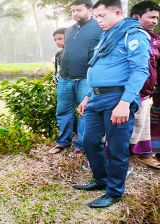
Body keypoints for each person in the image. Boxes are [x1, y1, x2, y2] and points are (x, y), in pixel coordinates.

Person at [75, 0, 150, 208]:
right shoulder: (107, 35)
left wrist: (125, 102)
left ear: (117, 12)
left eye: (101, 16)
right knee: (89, 142)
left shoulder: (133, 34)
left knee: (117, 148)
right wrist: (89, 95)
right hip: (96, 97)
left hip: (118, 98)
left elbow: (139, 70)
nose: (98, 20)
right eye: (96, 16)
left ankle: (114, 192)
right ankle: (101, 180)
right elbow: (99, 67)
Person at [49, 0, 102, 155]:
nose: (75, 14)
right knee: (62, 111)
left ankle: (81, 145)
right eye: (73, 11)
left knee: (84, 112)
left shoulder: (99, 27)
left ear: (90, 10)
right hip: (65, 78)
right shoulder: (70, 29)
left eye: (79, 10)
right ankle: (63, 142)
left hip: (85, 78)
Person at [129, 1, 160, 169]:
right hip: (128, 90)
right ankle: (119, 158)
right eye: (152, 17)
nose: (155, 21)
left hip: (146, 91)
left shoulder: (156, 39)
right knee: (124, 125)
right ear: (136, 17)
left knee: (142, 122)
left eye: (157, 18)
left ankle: (143, 153)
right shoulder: (126, 37)